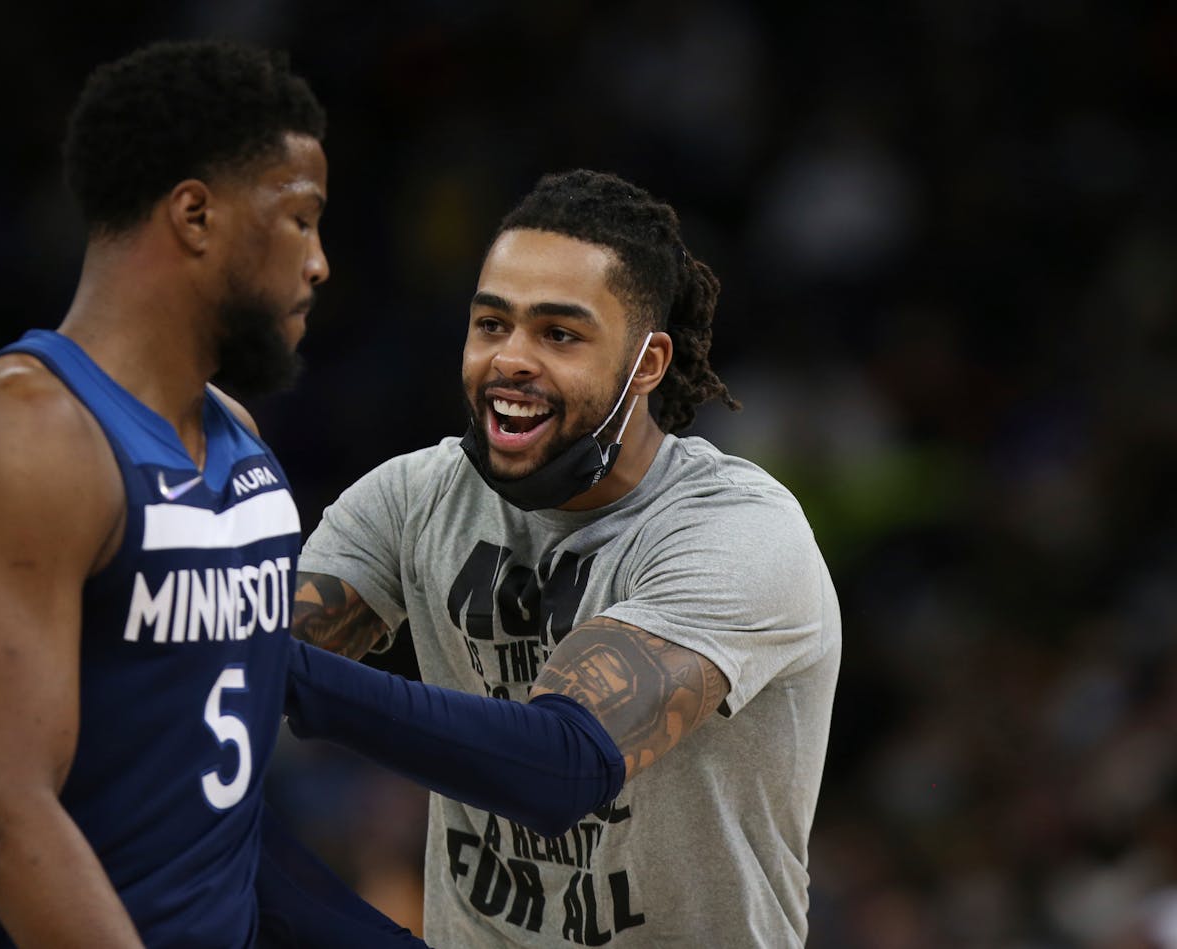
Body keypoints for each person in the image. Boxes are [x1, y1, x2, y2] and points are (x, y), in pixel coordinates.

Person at [0, 40, 420, 948]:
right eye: (301, 219)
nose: (322, 262)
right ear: (195, 215)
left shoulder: (241, 438)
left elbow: (218, 813)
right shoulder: (21, 439)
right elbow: (3, 823)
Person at [283, 169, 842, 947]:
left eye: (559, 334)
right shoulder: (413, 497)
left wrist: (262, 664)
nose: (511, 359)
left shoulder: (738, 532)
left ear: (647, 364)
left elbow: (558, 768)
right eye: (490, 325)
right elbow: (218, 693)